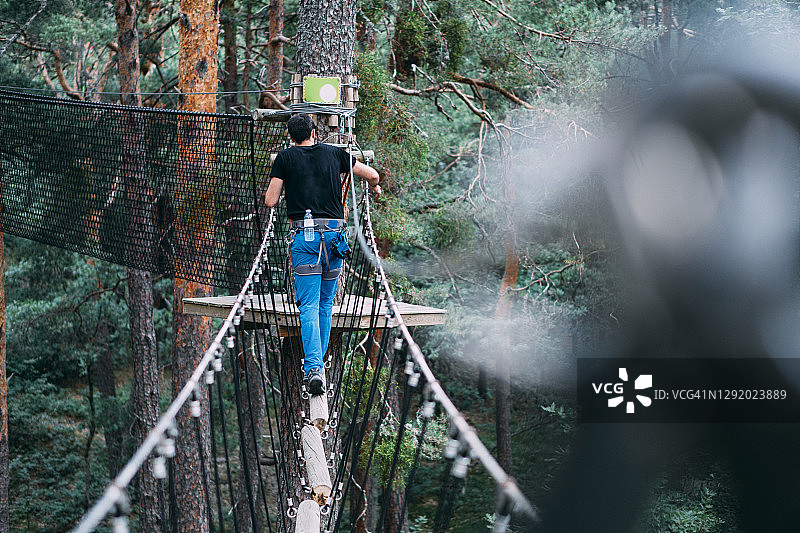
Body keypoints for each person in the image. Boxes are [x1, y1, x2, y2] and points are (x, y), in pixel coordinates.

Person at [264, 113, 380, 395]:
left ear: (291, 136)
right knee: (325, 303)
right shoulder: (336, 153)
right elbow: (373, 175)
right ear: (314, 132)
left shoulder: (285, 158)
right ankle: (319, 364)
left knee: (309, 305)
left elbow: (270, 200)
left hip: (305, 239)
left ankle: (314, 367)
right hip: (334, 239)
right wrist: (374, 186)